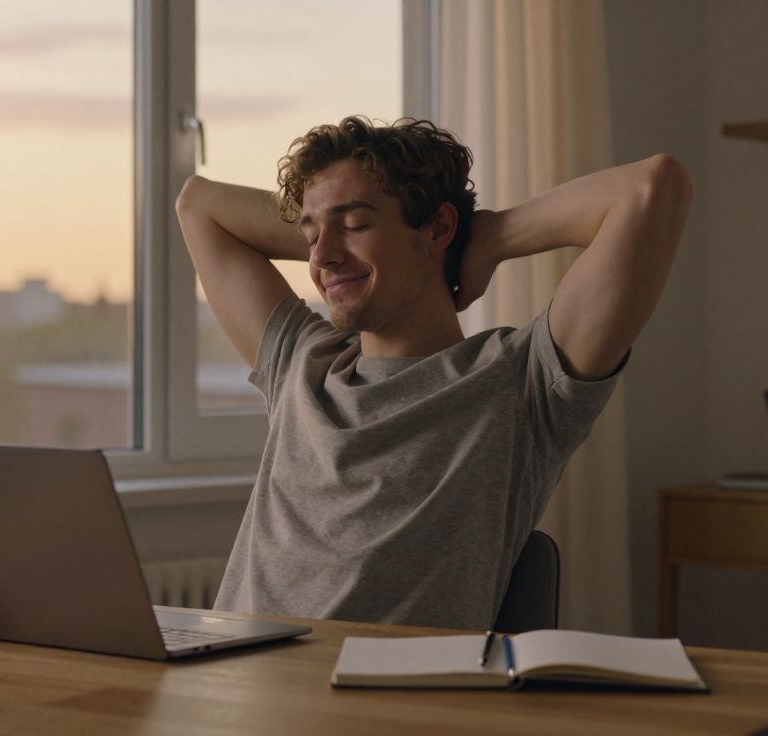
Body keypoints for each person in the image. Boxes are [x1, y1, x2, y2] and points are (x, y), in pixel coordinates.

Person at [174, 116, 692, 629]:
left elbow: (653, 187)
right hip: (231, 681)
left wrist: (489, 237)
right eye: (310, 235)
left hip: (373, 700)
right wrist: (341, 235)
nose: (321, 258)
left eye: (356, 224)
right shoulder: (301, 362)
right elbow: (196, 203)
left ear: (439, 227)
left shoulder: (521, 382)